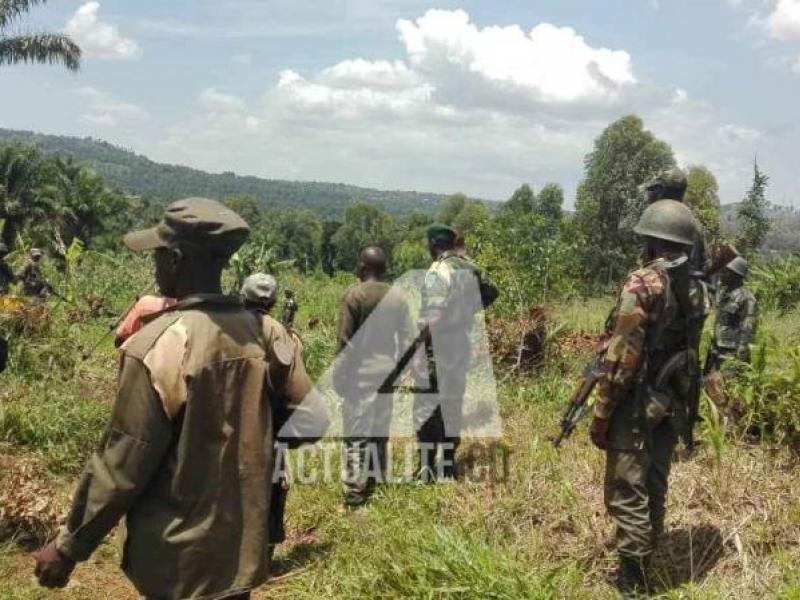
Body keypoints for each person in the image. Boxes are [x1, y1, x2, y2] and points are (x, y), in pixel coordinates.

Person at [34, 198, 329, 600]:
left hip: (178, 559)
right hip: (241, 545)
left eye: (157, 254)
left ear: (174, 259)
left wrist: (69, 547)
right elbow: (311, 420)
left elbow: (123, 463)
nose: (155, 266)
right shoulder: (264, 333)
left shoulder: (158, 345)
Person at [589, 200, 704, 594]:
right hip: (673, 399)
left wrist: (602, 411)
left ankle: (633, 578)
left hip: (637, 401)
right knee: (655, 480)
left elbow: (622, 357)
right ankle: (648, 553)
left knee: (626, 489)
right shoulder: (699, 286)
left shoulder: (643, 282)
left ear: (653, 241)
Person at [415, 224, 497, 481]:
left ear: (434, 244)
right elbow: (492, 291)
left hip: (437, 347)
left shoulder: (437, 270)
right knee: (453, 402)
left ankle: (427, 468)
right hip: (460, 345)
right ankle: (448, 466)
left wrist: (418, 346)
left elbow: (433, 314)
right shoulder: (470, 267)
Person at [335, 246, 413, 507]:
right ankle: (375, 480)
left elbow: (345, 343)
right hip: (386, 375)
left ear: (364, 267)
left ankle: (355, 493)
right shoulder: (398, 297)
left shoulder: (354, 296)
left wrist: (339, 377)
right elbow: (408, 340)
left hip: (360, 377)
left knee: (355, 434)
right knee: (379, 432)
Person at [240, 271, 288, 561]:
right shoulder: (279, 330)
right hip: (268, 421)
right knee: (273, 483)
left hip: (229, 421)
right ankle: (265, 552)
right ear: (273, 302)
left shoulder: (227, 326)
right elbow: (295, 387)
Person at [705, 256, 758, 374]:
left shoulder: (747, 298)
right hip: (716, 351)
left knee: (728, 389)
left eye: (725, 272)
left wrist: (740, 358)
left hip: (731, 354)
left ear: (735, 275)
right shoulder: (725, 294)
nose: (721, 275)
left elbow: (748, 329)